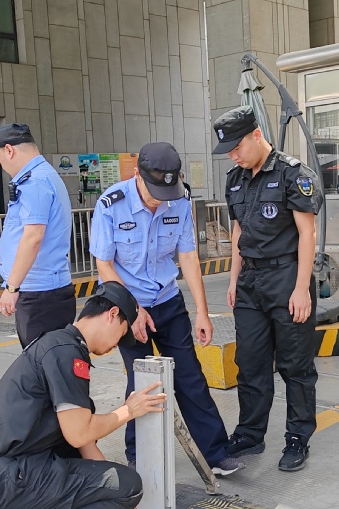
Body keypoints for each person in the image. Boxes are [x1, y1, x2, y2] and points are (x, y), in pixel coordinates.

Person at [0, 282, 166, 509]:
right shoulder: (67, 353)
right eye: (121, 334)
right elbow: (78, 433)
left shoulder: (58, 344)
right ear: (112, 314)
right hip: (9, 481)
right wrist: (128, 411)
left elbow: (82, 441)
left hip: (2, 474)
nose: (117, 345)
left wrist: (118, 499)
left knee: (118, 488)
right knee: (130, 485)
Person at [89, 142, 244, 477]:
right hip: (126, 307)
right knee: (142, 383)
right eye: (154, 192)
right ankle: (139, 456)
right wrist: (132, 310)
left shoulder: (179, 200)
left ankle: (215, 453)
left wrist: (202, 312)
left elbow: (187, 256)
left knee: (190, 378)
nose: (159, 200)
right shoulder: (111, 204)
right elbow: (104, 265)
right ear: (137, 174)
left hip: (168, 301)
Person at [213, 106, 324, 473]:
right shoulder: (235, 180)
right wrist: (233, 280)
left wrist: (302, 289)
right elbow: (238, 232)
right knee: (250, 363)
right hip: (250, 283)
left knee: (295, 365)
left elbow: (307, 233)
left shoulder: (293, 174)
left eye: (237, 147)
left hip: (287, 276)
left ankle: (297, 437)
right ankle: (250, 433)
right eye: (228, 151)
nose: (233, 156)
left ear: (257, 135)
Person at [0, 124, 75, 348]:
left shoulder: (34, 181)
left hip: (39, 294)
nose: (2, 165)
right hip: (44, 292)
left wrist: (12, 288)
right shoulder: (44, 175)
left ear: (9, 150)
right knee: (50, 361)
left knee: (42, 361)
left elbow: (33, 236)